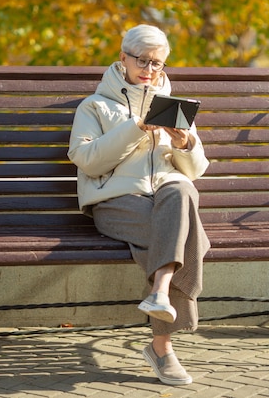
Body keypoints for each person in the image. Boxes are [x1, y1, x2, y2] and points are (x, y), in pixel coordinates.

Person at [67, 24, 210, 385]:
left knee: (181, 192)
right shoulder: (95, 106)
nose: (149, 70)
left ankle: (160, 296)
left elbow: (196, 172)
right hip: (116, 201)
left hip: (166, 198)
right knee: (184, 233)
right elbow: (87, 160)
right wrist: (136, 127)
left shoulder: (173, 108)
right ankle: (162, 348)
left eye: (157, 63)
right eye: (142, 61)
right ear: (122, 58)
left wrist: (184, 145)